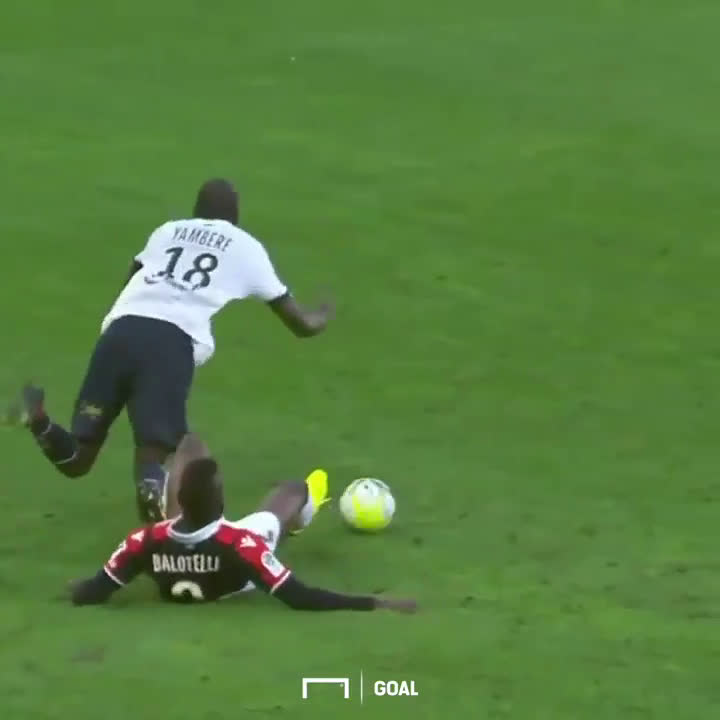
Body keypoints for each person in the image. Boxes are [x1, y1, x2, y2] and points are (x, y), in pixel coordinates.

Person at [3, 179, 333, 521]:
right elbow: (301, 324)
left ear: (196, 211)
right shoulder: (245, 247)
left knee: (79, 457)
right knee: (155, 453)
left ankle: (39, 421)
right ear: (235, 216)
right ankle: (157, 524)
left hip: (120, 332)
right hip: (169, 342)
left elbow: (132, 277)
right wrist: (322, 315)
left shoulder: (168, 231)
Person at [70, 434, 417, 613]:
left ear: (178, 502)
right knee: (293, 491)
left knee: (191, 443)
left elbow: (92, 593)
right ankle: (299, 519)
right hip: (233, 574)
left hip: (181, 553)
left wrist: (80, 588)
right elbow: (301, 598)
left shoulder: (144, 540)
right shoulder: (242, 544)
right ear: (221, 503)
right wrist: (375, 603)